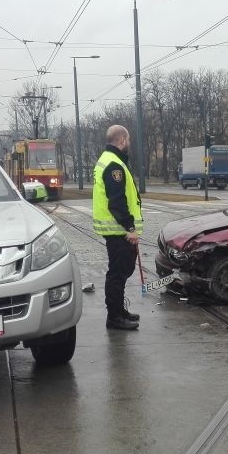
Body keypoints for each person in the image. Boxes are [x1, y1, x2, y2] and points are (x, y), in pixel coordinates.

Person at [92, 125, 143, 330]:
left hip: (115, 229)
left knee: (121, 271)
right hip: (118, 229)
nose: (129, 144)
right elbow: (117, 201)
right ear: (122, 140)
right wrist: (130, 228)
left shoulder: (107, 160)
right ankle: (114, 317)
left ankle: (118, 311)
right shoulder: (114, 165)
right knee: (117, 273)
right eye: (128, 140)